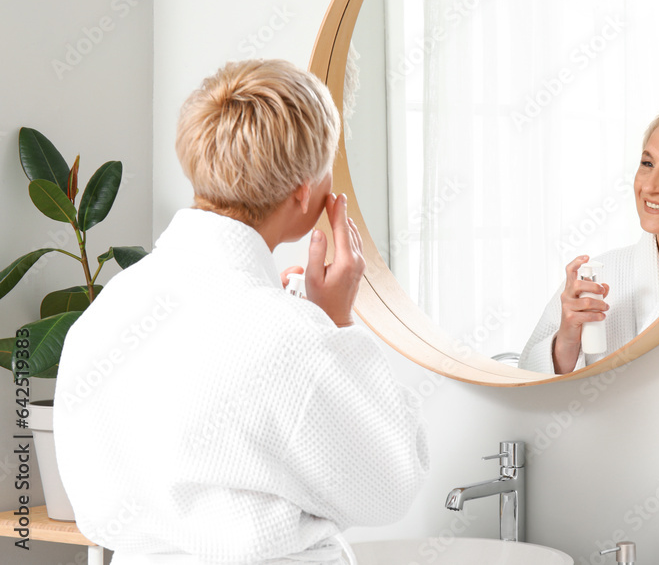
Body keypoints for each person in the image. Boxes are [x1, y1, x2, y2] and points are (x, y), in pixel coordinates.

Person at [53, 59, 429, 564]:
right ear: (302, 190)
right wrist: (335, 323)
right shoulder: (296, 338)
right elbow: (390, 486)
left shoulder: (101, 316)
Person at [518, 105, 659, 374]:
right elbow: (528, 375)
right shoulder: (599, 276)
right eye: (647, 164)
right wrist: (566, 341)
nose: (649, 186)